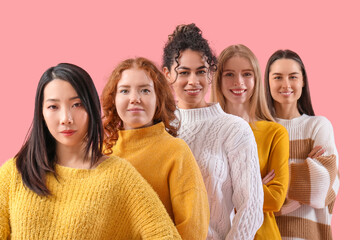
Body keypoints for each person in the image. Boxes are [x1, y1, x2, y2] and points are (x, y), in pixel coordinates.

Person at [0, 63, 181, 239]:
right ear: (41, 113)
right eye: (53, 107)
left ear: (92, 108)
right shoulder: (13, 173)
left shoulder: (118, 176)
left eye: (77, 104)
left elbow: (165, 235)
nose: (66, 118)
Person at [162, 23, 264, 240]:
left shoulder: (234, 130)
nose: (193, 81)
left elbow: (251, 207)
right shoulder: (160, 129)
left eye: (201, 72)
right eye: (183, 72)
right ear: (167, 74)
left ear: (211, 73)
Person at [101, 57, 209, 240]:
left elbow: (193, 227)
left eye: (145, 90)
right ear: (114, 98)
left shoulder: (175, 151)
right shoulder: (101, 150)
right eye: (125, 90)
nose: (134, 99)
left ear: (159, 98)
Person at [210, 44, 289, 240]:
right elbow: (200, 195)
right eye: (229, 74)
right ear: (218, 79)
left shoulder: (275, 133)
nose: (238, 82)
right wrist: (251, 186)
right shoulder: (207, 130)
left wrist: (227, 186)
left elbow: (276, 200)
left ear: (256, 80)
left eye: (247, 74)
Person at [264, 49, 340, 240]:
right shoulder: (260, 128)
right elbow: (246, 191)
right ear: (268, 82)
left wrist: (269, 185)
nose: (286, 84)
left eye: (293, 77)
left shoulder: (318, 126)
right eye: (278, 77)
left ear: (303, 81)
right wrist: (306, 171)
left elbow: (322, 188)